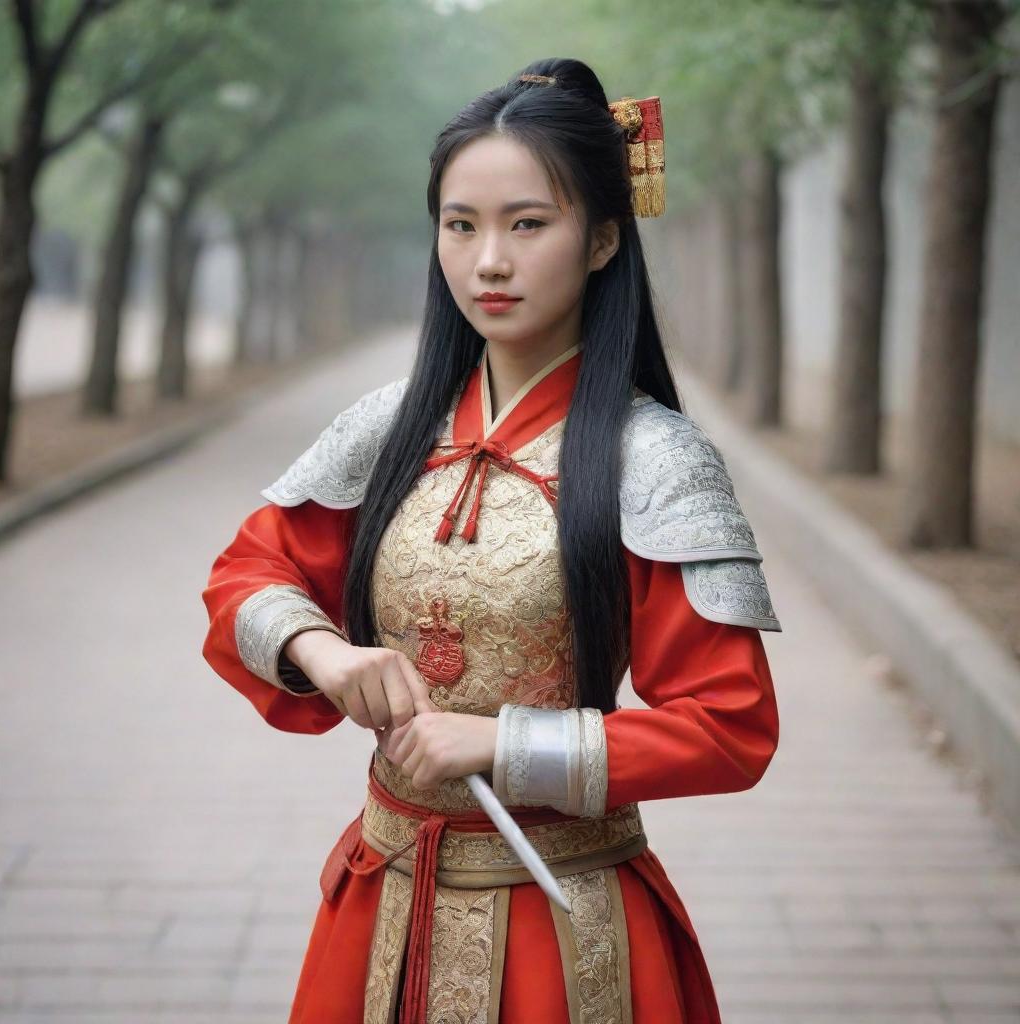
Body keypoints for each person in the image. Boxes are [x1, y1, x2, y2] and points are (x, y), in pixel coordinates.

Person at [202, 57, 781, 1024]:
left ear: (602, 238)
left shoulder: (656, 461)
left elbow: (728, 727)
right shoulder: (387, 429)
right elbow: (247, 570)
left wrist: (504, 744)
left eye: (527, 224)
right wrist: (323, 653)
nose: (489, 263)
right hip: (384, 900)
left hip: (567, 933)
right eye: (460, 225)